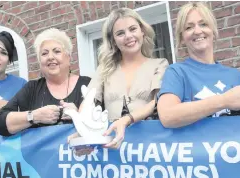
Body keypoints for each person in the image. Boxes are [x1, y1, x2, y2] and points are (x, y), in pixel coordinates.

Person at [69, 7, 169, 151]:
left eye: (133, 29)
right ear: (113, 40)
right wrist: (83, 130)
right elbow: (88, 101)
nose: (128, 36)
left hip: (149, 147)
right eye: (120, 33)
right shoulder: (104, 69)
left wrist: (127, 120)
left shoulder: (160, 64)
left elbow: (157, 102)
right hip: (113, 151)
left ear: (142, 31)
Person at [157, 2, 240, 128]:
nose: (197, 31)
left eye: (203, 24)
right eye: (189, 27)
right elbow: (167, 116)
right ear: (182, 37)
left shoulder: (235, 76)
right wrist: (224, 101)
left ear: (213, 31)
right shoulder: (177, 72)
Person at [0, 28, 91, 136]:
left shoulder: (88, 84)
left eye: (57, 51)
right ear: (40, 62)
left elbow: (105, 120)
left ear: (69, 58)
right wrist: (34, 116)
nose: (50, 57)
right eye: (44, 53)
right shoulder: (32, 89)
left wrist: (79, 115)